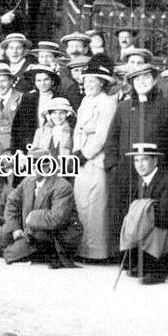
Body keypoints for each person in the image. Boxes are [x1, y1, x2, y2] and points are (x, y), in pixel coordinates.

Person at [119, 142, 168, 284]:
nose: (140, 165)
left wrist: (143, 216)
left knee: (155, 226)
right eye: (136, 160)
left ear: (155, 161)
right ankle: (142, 264)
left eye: (144, 159)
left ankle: (158, 270)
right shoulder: (139, 181)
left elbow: (165, 218)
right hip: (151, 224)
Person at [72, 64, 116, 262]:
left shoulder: (107, 102)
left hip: (95, 159)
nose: (88, 84)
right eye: (86, 80)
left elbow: (102, 134)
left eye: (93, 80)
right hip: (80, 158)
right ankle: (83, 249)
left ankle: (97, 252)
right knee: (82, 203)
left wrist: (85, 153)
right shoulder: (85, 101)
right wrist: (75, 151)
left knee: (96, 206)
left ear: (102, 82)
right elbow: (78, 129)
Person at [2, 158, 82, 268]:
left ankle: (43, 254)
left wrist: (31, 217)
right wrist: (15, 228)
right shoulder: (28, 181)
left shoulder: (63, 186)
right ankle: (35, 253)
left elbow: (57, 218)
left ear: (47, 167)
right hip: (35, 233)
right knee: (4, 242)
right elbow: (11, 202)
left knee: (10, 254)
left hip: (58, 238)